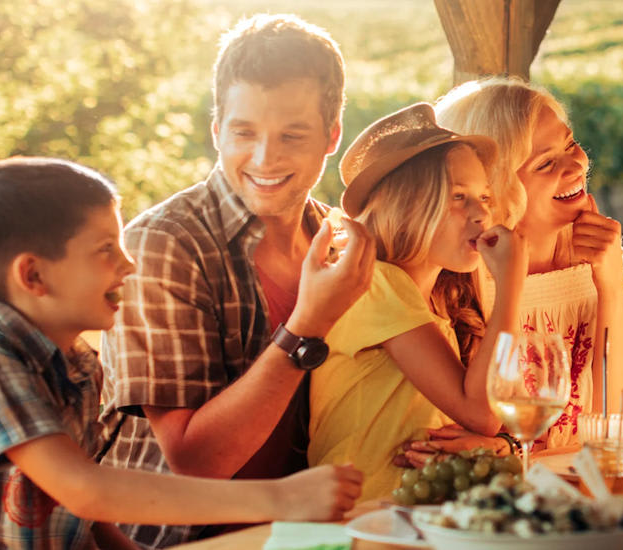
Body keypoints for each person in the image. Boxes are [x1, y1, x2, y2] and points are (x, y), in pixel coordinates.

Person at [0, 158, 362, 550]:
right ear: (33, 277)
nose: (129, 262)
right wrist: (279, 499)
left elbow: (86, 516)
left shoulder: (76, 364)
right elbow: (87, 492)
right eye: (105, 249)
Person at [97, 14, 376, 546]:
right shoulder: (164, 245)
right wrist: (307, 325)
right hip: (183, 539)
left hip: (311, 533)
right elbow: (195, 464)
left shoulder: (339, 242)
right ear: (216, 129)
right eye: (244, 133)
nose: (265, 159)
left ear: (331, 136)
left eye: (292, 135)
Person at [402, 77, 623, 456]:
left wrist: (610, 281)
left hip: (578, 486)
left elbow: (615, 419)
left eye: (570, 144)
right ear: (497, 185)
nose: (575, 166)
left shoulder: (591, 260)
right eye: (546, 163)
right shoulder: (457, 283)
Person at [306, 103, 525, 503]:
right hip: (361, 516)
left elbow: (481, 423)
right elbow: (482, 413)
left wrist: (491, 446)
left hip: (416, 512)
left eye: (484, 197)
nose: (481, 214)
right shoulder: (376, 284)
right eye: (458, 197)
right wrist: (511, 283)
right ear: (407, 207)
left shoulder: (436, 302)